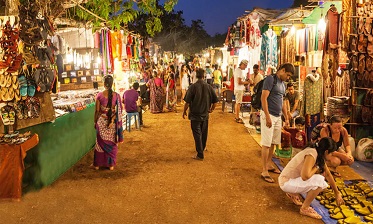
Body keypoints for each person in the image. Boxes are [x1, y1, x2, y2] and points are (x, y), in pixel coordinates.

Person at [278, 137, 344, 219]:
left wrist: (337, 193)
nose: (332, 156)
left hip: (287, 180)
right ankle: (304, 208)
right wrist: (316, 167)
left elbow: (328, 174)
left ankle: (293, 194)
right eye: (331, 153)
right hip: (286, 183)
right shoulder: (312, 154)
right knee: (320, 180)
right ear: (326, 151)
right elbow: (305, 176)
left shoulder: (316, 151)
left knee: (323, 182)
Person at [260, 63, 294, 183]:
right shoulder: (270, 79)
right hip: (268, 115)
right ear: (282, 70)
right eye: (288, 75)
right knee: (266, 143)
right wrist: (267, 116)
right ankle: (264, 169)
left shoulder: (283, 85)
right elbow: (263, 98)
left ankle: (269, 163)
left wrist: (286, 117)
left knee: (274, 142)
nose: (288, 78)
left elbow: (283, 102)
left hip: (277, 116)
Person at [182, 68, 219, 160]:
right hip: (205, 114)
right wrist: (211, 109)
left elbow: (187, 102)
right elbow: (215, 102)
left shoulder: (193, 87)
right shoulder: (209, 87)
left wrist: (184, 111)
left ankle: (200, 153)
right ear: (204, 76)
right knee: (203, 132)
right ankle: (202, 148)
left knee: (197, 134)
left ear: (196, 76)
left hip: (195, 115)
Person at [93, 75, 123, 171]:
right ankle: (111, 165)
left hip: (101, 122)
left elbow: (97, 112)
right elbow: (118, 112)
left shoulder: (99, 95)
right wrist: (113, 120)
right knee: (112, 143)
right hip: (112, 124)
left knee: (99, 144)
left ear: (104, 83)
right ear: (112, 83)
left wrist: (95, 122)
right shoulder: (117, 96)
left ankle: (97, 164)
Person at [234, 60, 250, 124]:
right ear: (242, 64)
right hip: (239, 89)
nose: (245, 67)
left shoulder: (237, 70)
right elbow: (239, 82)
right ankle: (237, 118)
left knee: (237, 103)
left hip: (238, 89)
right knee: (238, 104)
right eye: (245, 65)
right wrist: (247, 82)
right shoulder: (239, 71)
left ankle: (236, 116)